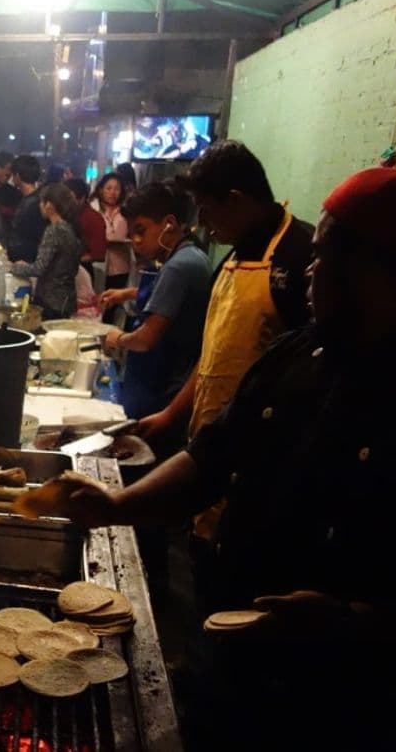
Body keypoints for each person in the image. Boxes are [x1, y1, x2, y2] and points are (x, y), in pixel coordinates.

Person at [50, 167, 396, 748]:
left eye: (327, 258)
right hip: (239, 644)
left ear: (381, 272)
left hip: (350, 698)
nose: (311, 272)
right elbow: (211, 457)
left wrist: (354, 622)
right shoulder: (301, 352)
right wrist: (117, 504)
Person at [138, 141, 313, 541]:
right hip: (213, 448)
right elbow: (213, 357)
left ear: (235, 200)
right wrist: (171, 415)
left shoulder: (300, 258)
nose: (200, 221)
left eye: (205, 207)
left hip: (265, 468)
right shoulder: (231, 259)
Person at [99, 182, 211, 441]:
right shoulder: (192, 255)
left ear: (169, 224)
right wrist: (127, 293)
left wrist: (119, 339)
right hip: (168, 382)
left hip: (164, 388)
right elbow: (167, 298)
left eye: (141, 230)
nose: (135, 241)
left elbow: (147, 339)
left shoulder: (178, 267)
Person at [10, 183, 82, 320]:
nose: (40, 206)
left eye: (41, 202)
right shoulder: (71, 228)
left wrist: (15, 268)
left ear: (49, 205)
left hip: (50, 301)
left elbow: (39, 268)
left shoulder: (53, 230)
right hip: (66, 300)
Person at [91, 172, 132, 293]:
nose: (112, 193)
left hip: (121, 266)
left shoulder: (126, 211)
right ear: (101, 190)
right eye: (108, 188)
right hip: (98, 265)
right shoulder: (94, 210)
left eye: (117, 189)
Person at [6, 155, 45, 264]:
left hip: (26, 262)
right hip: (27, 260)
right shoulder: (39, 198)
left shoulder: (32, 203)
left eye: (12, 175)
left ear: (17, 176)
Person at [67, 177, 106, 267]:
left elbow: (99, 254)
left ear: (82, 198)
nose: (66, 202)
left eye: (70, 199)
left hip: (82, 268)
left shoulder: (93, 218)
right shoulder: (64, 213)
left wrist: (75, 260)